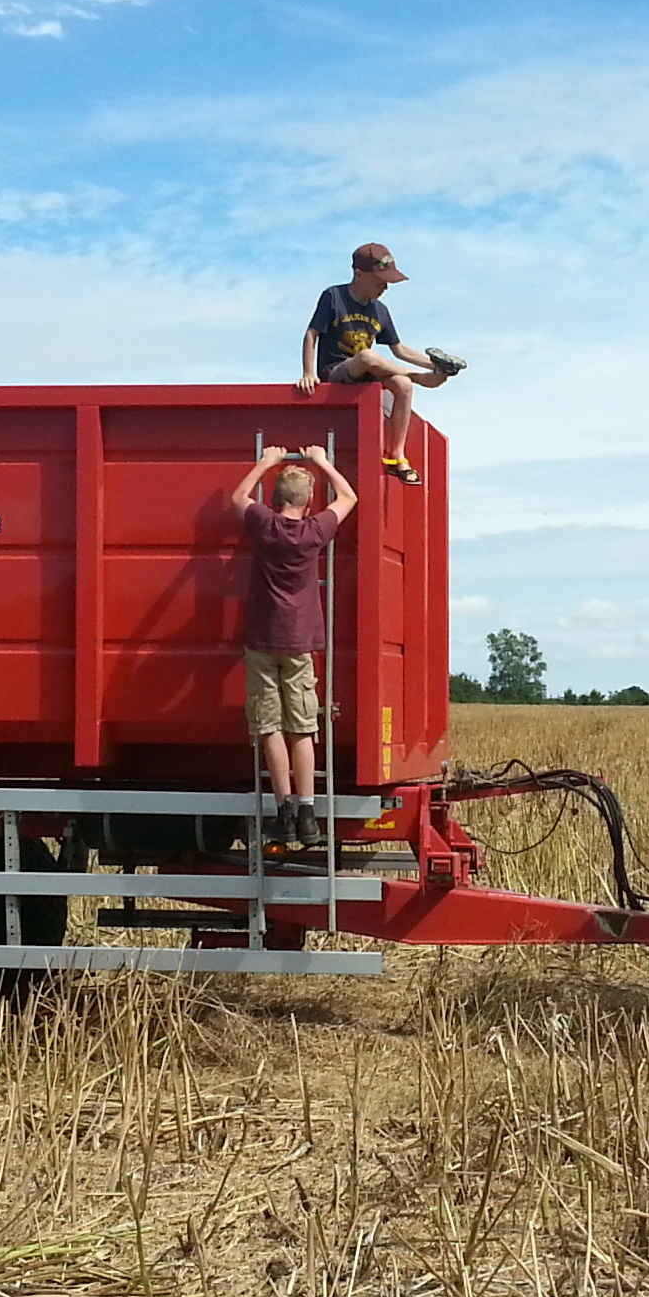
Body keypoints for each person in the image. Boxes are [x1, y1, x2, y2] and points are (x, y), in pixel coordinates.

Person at [231, 445, 357, 847]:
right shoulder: (314, 531)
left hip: (261, 640)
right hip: (300, 642)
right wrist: (322, 461)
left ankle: (282, 809)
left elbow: (238, 498)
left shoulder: (264, 525)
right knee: (302, 727)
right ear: (307, 505)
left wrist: (266, 462)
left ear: (275, 499)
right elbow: (349, 498)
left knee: (269, 727)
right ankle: (307, 812)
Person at [296, 243, 465, 484]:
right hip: (335, 372)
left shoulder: (380, 311)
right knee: (367, 356)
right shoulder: (334, 297)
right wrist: (308, 373)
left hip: (368, 375)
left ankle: (397, 456)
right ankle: (418, 378)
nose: (385, 287)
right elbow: (312, 334)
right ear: (358, 274)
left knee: (403, 386)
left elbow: (400, 349)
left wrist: (435, 366)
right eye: (380, 280)